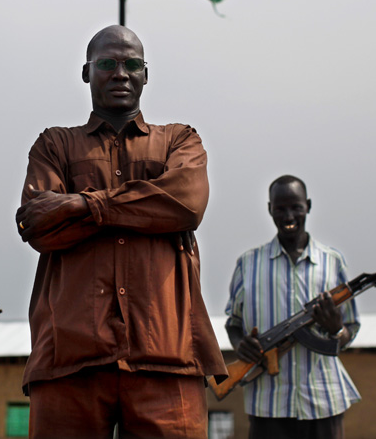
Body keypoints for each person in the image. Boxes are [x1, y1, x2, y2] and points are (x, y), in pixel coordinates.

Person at [15, 25, 226, 439]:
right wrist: (148, 209)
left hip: (168, 350)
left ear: (146, 74)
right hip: (70, 355)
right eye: (107, 64)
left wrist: (80, 202)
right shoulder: (55, 145)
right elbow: (39, 226)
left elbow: (185, 204)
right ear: (86, 72)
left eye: (132, 64)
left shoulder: (179, 140)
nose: (120, 73)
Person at [224, 175, 360, 439]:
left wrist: (336, 330)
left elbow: (350, 329)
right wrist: (242, 345)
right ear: (269, 209)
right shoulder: (248, 263)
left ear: (307, 205)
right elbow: (233, 323)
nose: (289, 215)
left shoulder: (332, 261)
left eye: (296, 206)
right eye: (280, 207)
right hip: (268, 404)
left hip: (324, 401)